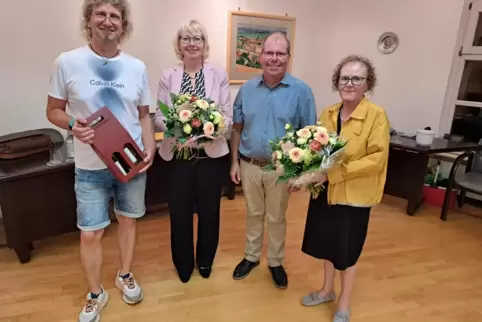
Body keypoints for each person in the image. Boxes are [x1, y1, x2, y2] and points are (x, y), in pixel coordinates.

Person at [46, 1, 155, 321]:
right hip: (90, 166)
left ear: (123, 25)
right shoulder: (67, 62)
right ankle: (96, 293)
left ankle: (124, 274)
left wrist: (148, 147)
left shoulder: (137, 67)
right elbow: (53, 110)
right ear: (89, 20)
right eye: (101, 14)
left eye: (115, 16)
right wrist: (72, 125)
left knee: (128, 220)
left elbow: (144, 114)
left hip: (129, 162)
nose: (108, 21)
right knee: (90, 232)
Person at [300, 55, 390, 322]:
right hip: (325, 193)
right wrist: (302, 175)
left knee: (347, 251)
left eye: (357, 78)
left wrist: (335, 175)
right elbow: (314, 148)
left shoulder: (376, 116)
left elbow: (376, 159)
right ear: (337, 82)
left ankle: (344, 303)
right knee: (327, 245)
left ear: (367, 84)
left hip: (354, 197)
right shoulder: (328, 112)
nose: (349, 83)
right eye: (344, 78)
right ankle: (327, 290)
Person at [230, 32, 317, 289]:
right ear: (260, 57)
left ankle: (276, 261)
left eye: (280, 53)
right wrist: (234, 162)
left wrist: (301, 174)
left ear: (288, 58)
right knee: (253, 213)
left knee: (276, 217)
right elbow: (237, 128)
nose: (274, 58)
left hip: (282, 169)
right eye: (269, 53)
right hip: (250, 164)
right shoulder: (246, 90)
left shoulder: (302, 91)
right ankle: (251, 256)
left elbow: (309, 135)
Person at [154, 20, 232, 283]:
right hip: (178, 156)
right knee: (180, 212)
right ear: (179, 45)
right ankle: (184, 264)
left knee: (210, 211)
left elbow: (227, 116)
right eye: (186, 39)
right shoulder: (168, 76)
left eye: (197, 38)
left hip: (210, 157)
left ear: (204, 44)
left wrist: (211, 130)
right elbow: (158, 118)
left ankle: (205, 260)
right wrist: (179, 131)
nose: (191, 43)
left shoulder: (218, 74)